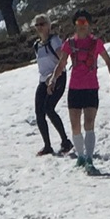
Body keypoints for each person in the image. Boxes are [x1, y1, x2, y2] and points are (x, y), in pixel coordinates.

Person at [58, 10, 110, 169]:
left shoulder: (96, 43)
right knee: (75, 125)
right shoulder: (69, 44)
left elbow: (109, 62)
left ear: (89, 24)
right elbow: (62, 63)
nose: (82, 26)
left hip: (91, 88)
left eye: (84, 22)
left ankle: (89, 159)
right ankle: (80, 156)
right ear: (75, 25)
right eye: (79, 23)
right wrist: (52, 79)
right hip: (74, 88)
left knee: (89, 123)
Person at [31, 14, 68, 156]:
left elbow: (63, 59)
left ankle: (65, 141)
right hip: (43, 80)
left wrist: (53, 77)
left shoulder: (55, 41)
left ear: (48, 25)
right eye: (37, 25)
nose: (40, 27)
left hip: (57, 77)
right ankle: (47, 145)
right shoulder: (37, 45)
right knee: (39, 112)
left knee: (49, 108)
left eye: (42, 24)